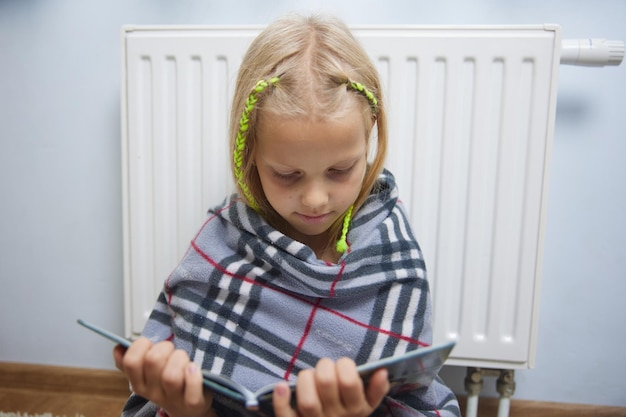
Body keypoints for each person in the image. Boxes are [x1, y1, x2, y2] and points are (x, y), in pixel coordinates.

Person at [114, 13, 461, 417]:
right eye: (287, 174)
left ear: (369, 144)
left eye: (340, 170)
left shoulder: (393, 253)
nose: (315, 199)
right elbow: (159, 390)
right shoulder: (218, 246)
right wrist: (189, 410)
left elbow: (415, 402)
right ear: (251, 158)